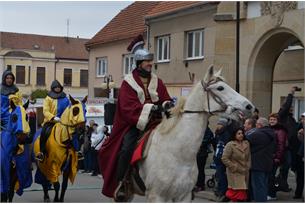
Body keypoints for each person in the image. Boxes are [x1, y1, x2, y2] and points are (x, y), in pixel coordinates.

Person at [98, 34, 173, 200]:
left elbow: (164, 97)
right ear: (139, 63)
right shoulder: (128, 83)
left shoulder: (157, 81)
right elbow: (127, 108)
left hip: (157, 122)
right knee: (126, 149)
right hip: (135, 124)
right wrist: (151, 108)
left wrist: (167, 104)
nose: (150, 65)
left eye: (150, 62)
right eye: (147, 62)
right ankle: (123, 182)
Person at [36, 80, 70, 161]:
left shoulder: (65, 98)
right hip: (50, 122)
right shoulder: (48, 98)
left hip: (63, 122)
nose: (57, 89)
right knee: (44, 133)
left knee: (72, 133)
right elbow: (45, 111)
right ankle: (42, 152)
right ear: (53, 88)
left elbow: (68, 109)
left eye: (59, 87)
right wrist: (53, 117)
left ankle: (76, 152)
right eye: (56, 87)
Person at [248, 117, 276, 202]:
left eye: (256, 124)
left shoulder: (257, 134)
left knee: (258, 187)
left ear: (259, 125)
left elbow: (245, 140)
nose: (255, 126)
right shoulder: (272, 133)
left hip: (257, 164)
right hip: (267, 163)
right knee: (263, 186)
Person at [277, 87, 299, 192]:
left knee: (288, 166)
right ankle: (279, 183)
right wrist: (291, 94)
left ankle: (283, 184)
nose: (291, 108)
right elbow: (286, 106)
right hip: (283, 148)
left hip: (291, 147)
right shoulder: (282, 115)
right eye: (290, 107)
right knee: (285, 165)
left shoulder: (292, 119)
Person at [221, 127, 251, 202]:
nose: (241, 135)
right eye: (238, 133)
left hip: (244, 172)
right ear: (234, 135)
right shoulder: (230, 144)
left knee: (242, 193)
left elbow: (249, 157)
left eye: (242, 133)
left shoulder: (246, 143)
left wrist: (248, 166)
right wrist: (234, 167)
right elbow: (224, 158)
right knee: (236, 193)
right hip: (234, 173)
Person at [267, 113, 288, 200]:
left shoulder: (280, 131)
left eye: (274, 120)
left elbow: (281, 145)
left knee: (271, 176)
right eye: (270, 119)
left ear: (277, 121)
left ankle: (272, 194)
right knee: (270, 175)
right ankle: (270, 193)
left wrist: (277, 157)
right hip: (270, 156)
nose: (272, 121)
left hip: (275, 157)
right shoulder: (270, 129)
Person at [193, 123, 216, 192]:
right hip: (198, 152)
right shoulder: (199, 130)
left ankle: (201, 185)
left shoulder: (207, 131)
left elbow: (206, 140)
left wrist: (198, 144)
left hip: (202, 153)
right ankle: (197, 184)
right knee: (197, 169)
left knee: (200, 169)